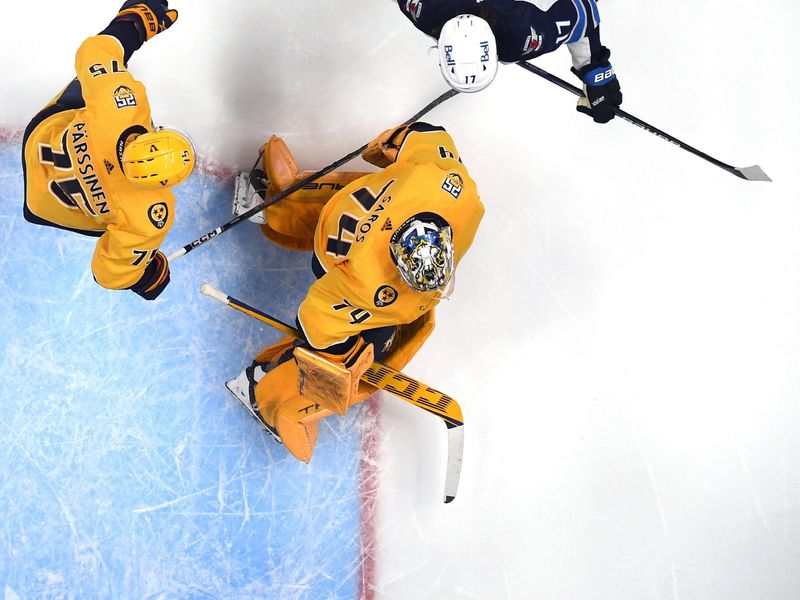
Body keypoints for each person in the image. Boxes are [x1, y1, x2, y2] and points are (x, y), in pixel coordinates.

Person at [227, 122, 484, 462]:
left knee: (332, 199)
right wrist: (340, 358)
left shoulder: (448, 185)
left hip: (348, 203)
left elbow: (426, 133)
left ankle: (274, 200)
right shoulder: (366, 279)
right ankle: (267, 392)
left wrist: (399, 138)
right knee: (358, 353)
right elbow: (317, 318)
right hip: (334, 252)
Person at [22, 1, 195, 300]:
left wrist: (133, 25)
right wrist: (143, 274)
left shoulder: (120, 106)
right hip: (46, 209)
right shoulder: (150, 214)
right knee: (122, 230)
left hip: (39, 142)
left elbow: (93, 52)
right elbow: (107, 274)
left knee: (96, 84)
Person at [397, 0, 622, 123]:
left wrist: (595, 71)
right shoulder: (421, 8)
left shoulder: (524, 36)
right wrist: (593, 71)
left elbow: (582, 11)